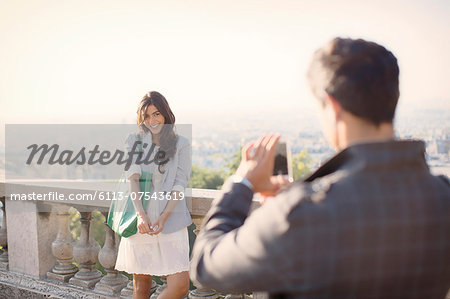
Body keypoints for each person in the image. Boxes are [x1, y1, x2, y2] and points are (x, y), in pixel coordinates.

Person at [190, 38, 450, 298]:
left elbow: (206, 265)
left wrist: (242, 182)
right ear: (394, 98)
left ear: (333, 106)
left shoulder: (302, 214)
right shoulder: (442, 196)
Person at [115, 91, 192, 299]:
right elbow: (132, 178)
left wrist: (164, 217)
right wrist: (140, 215)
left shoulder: (181, 143)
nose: (152, 120)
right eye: (146, 116)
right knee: (141, 284)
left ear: (166, 114)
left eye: (156, 114)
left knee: (180, 284)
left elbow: (180, 183)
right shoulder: (134, 141)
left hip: (171, 216)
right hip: (142, 217)